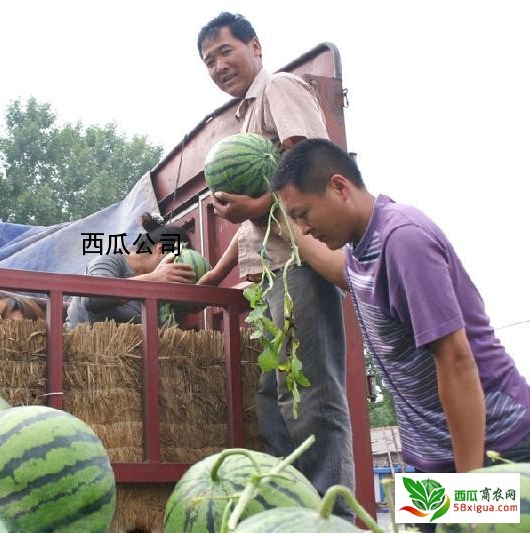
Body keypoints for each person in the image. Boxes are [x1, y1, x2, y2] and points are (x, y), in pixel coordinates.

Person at [271, 138, 530, 474]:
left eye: (303, 214)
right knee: (411, 528)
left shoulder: (402, 239)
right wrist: (273, 218)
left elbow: (456, 359)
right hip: (431, 457)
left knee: (476, 527)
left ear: (339, 187)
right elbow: (340, 271)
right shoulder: (361, 249)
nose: (304, 227)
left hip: (496, 448)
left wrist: (471, 488)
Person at [194, 11, 355, 504]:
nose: (218, 66)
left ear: (255, 46)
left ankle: (328, 509)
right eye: (208, 61)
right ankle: (293, 504)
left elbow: (304, 166)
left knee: (313, 397)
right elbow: (253, 226)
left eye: (225, 51)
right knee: (275, 397)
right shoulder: (239, 118)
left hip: (301, 265)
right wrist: (212, 280)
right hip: (266, 278)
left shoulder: (279, 88)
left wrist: (258, 203)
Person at [65, 213, 195, 329]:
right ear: (160, 251)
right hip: (87, 349)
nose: (176, 268)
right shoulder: (112, 260)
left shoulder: (163, 284)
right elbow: (92, 299)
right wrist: (153, 278)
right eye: (177, 261)